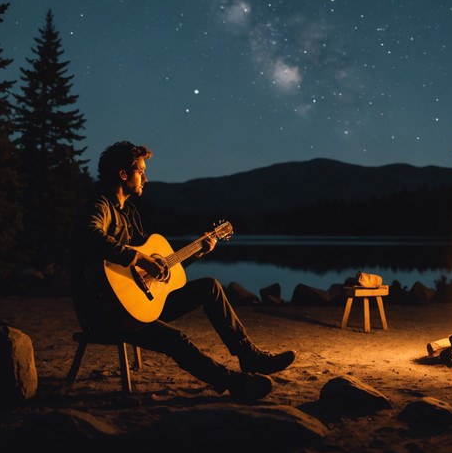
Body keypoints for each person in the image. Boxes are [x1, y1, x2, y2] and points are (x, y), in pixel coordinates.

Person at [69, 141, 295, 401]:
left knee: (209, 286)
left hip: (137, 304)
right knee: (175, 338)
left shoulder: (128, 212)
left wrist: (197, 252)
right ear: (123, 174)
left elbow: (158, 270)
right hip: (104, 314)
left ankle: (249, 356)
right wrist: (140, 259)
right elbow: (90, 235)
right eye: (141, 171)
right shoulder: (99, 206)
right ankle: (232, 382)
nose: (146, 177)